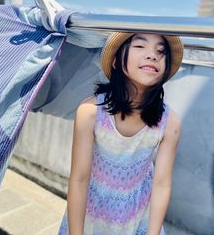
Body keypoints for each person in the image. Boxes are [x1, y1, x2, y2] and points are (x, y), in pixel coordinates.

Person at [57, 32, 183, 235]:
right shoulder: (90, 111)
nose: (152, 55)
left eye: (161, 51)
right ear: (116, 60)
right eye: (140, 46)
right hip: (90, 216)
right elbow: (79, 178)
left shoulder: (170, 122)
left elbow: (161, 184)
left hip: (138, 217)